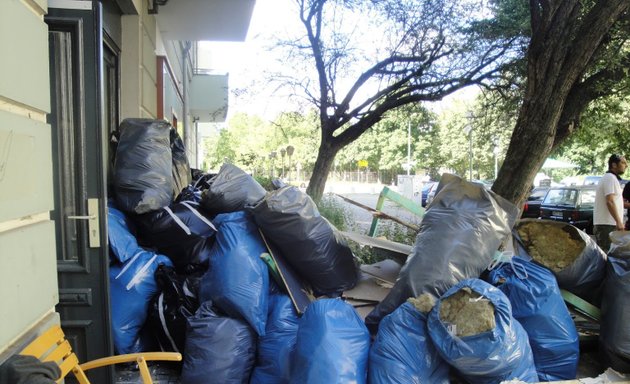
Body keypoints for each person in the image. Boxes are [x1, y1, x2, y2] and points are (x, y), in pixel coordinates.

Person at [594, 154, 628, 251]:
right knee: (606, 256)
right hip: (606, 225)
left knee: (609, 256)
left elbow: (616, 202)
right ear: (614, 165)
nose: (626, 165)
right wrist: (619, 222)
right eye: (623, 162)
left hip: (608, 224)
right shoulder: (610, 178)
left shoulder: (611, 178)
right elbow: (610, 202)